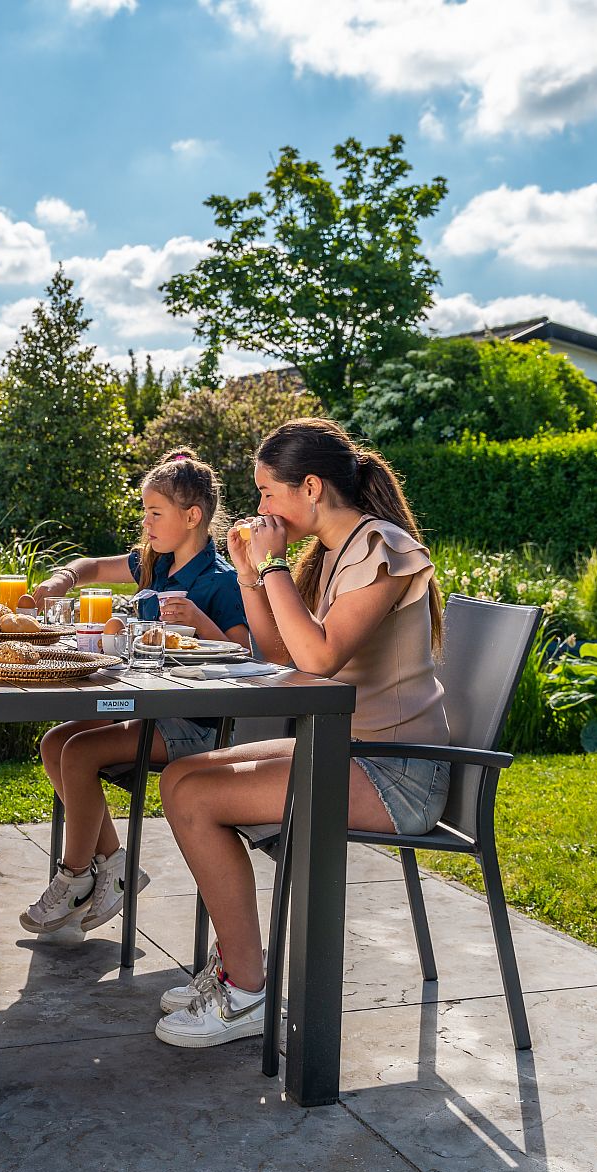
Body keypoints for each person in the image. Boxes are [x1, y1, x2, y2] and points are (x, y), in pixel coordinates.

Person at [152, 418, 450, 1048]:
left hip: (397, 773)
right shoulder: (339, 552)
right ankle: (240, 975)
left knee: (198, 796)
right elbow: (274, 650)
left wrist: (277, 563)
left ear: (310, 487)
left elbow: (318, 661)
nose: (260, 508)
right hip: (347, 750)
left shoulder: (383, 548)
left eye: (267, 493)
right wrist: (249, 573)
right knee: (181, 776)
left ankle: (246, 994)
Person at [22, 447, 249, 937]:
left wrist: (202, 623)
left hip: (197, 725)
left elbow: (247, 653)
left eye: (153, 513)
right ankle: (113, 866)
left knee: (80, 752)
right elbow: (88, 568)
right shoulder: (154, 566)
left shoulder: (220, 582)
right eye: (143, 511)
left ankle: (76, 875)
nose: (144, 523)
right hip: (148, 709)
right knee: (55, 743)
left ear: (191, 517)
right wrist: (58, 582)